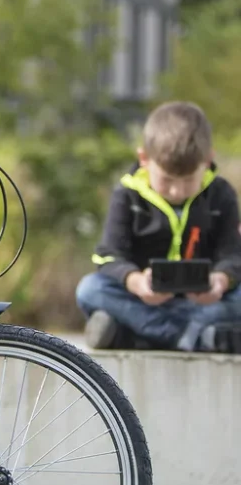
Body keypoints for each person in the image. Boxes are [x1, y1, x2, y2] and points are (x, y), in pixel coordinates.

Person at [76, 101, 241, 351]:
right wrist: (136, 282)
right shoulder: (126, 194)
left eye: (188, 181)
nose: (177, 190)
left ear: (207, 161)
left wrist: (220, 281)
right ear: (144, 159)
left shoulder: (221, 194)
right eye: (167, 180)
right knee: (90, 289)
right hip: (143, 301)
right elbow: (109, 256)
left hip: (202, 305)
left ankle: (132, 336)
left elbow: (232, 255)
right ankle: (192, 337)